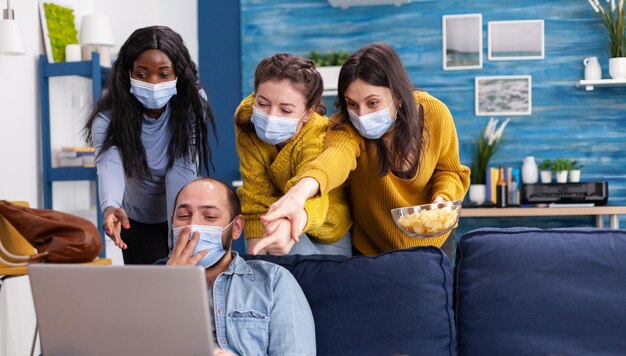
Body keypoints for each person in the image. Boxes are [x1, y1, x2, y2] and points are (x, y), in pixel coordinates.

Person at [4, 178, 318, 356]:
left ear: (235, 229)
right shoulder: (143, 280)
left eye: (209, 217)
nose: (193, 225)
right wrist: (170, 282)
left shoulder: (271, 281)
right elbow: (112, 350)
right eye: (184, 215)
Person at [258, 43, 470, 259]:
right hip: (371, 247)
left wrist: (443, 197)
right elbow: (334, 159)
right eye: (352, 104)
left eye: (373, 103)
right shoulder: (345, 125)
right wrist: (300, 192)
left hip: (432, 242)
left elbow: (449, 170)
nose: (361, 114)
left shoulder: (435, 113)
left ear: (397, 95)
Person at [85, 25, 216, 265]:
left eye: (164, 74)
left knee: (185, 293)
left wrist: (178, 230)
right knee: (148, 295)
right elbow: (109, 164)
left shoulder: (193, 104)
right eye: (142, 74)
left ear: (178, 73)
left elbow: (182, 166)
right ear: (128, 74)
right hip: (134, 220)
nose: (153, 82)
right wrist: (110, 206)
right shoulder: (108, 117)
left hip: (182, 213)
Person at [234, 53, 351, 255]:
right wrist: (256, 259)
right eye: (263, 103)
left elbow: (315, 198)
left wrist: (290, 221)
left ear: (308, 113)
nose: (270, 116)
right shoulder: (248, 119)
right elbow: (255, 195)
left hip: (328, 231)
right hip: (274, 220)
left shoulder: (319, 135)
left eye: (286, 110)